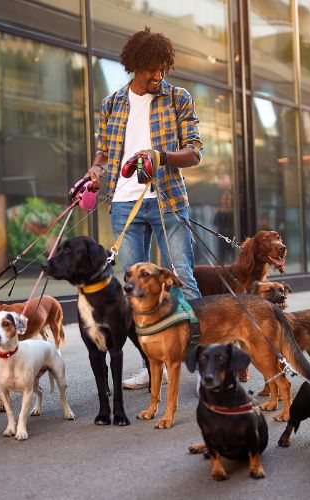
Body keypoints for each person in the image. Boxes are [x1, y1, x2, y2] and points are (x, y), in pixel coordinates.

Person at [86, 28, 203, 390]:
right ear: (134, 66)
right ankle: (150, 365)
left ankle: (202, 364)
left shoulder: (177, 98)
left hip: (168, 199)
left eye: (163, 69)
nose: (158, 76)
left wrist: (161, 156)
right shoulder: (112, 104)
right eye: (151, 70)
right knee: (134, 290)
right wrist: (94, 173)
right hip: (125, 205)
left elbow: (195, 151)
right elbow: (104, 154)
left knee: (182, 278)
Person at [212, 191, 235, 265]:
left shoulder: (234, 212)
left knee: (232, 257)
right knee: (221, 258)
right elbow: (215, 223)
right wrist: (221, 212)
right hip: (221, 238)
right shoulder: (219, 212)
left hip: (232, 238)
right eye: (224, 199)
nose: (225, 202)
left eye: (228, 200)